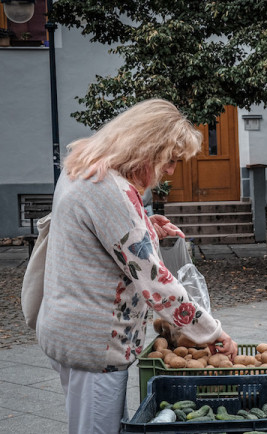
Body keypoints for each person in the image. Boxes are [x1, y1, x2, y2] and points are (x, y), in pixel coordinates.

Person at [36, 99, 239, 433]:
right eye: (170, 160)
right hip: (95, 342)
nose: (171, 170)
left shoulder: (86, 165)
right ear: (146, 148)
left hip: (69, 328)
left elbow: (97, 234)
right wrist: (212, 332)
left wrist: (144, 223)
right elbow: (155, 282)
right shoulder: (110, 189)